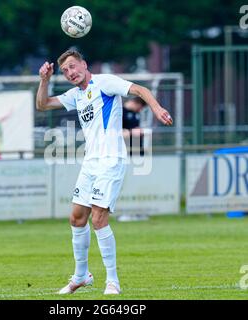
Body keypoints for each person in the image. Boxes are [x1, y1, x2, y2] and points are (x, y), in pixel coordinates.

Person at [36, 50, 173, 295]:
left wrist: (157, 108)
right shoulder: (75, 95)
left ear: (84, 64)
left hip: (112, 160)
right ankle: (81, 276)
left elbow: (140, 90)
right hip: (91, 162)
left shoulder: (105, 82)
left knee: (98, 219)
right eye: (65, 70)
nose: (70, 73)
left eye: (73, 66)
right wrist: (44, 80)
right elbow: (43, 105)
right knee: (76, 218)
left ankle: (112, 281)